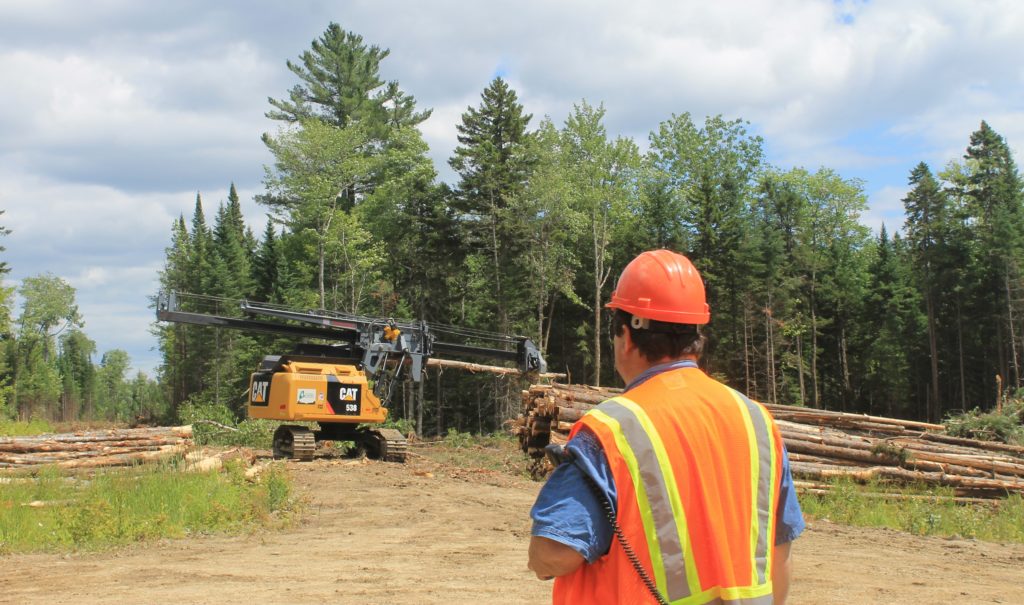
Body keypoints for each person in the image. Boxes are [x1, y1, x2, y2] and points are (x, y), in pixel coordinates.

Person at [528, 249, 804, 605]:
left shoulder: (611, 431)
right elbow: (779, 554)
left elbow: (553, 553)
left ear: (625, 336)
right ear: (695, 336)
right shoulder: (755, 419)